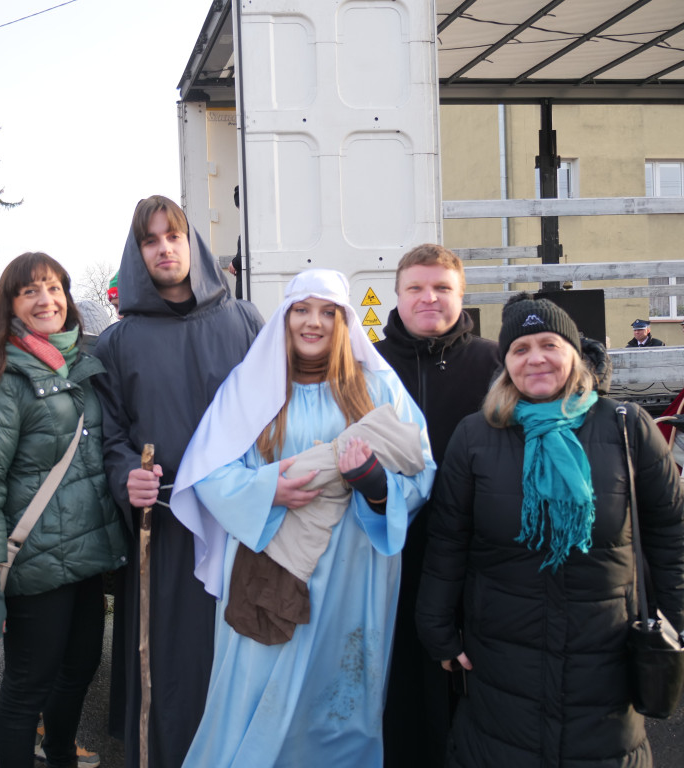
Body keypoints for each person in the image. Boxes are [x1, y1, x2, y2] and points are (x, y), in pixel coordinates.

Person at [168, 269, 434, 766]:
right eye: (302, 310)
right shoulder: (250, 386)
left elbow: (420, 467)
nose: (314, 323)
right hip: (271, 562)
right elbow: (207, 472)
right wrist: (269, 489)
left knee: (342, 696)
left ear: (344, 321)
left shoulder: (376, 384)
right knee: (253, 694)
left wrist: (374, 483)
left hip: (354, 573)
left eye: (328, 312)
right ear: (285, 318)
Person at [416, 293, 684, 768]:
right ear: (506, 363)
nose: (535, 358)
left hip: (606, 661)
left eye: (549, 344)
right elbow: (448, 541)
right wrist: (438, 630)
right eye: (521, 349)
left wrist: (675, 624)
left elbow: (670, 534)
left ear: (573, 354)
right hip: (501, 661)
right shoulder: (475, 436)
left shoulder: (627, 428)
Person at [93, 194, 263, 768]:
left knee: (242, 657)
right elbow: (110, 435)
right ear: (136, 253)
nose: (165, 248)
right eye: (151, 239)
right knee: (169, 669)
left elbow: (278, 414)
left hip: (242, 526)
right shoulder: (118, 341)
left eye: (174, 236)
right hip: (163, 532)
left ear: (193, 244)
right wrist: (125, 478)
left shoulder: (244, 321)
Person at [0, 252, 127, 768]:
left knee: (80, 668)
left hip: (85, 556)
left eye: (53, 288)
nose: (46, 300)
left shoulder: (75, 361)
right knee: (29, 685)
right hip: (31, 561)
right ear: (10, 304)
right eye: (30, 291)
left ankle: (61, 757)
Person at [373, 243, 500, 767]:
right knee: (397, 677)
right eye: (416, 289)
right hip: (387, 546)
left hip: (475, 551)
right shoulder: (368, 364)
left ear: (461, 295)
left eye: (442, 288)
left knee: (469, 679)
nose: (429, 299)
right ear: (396, 297)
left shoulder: (494, 362)